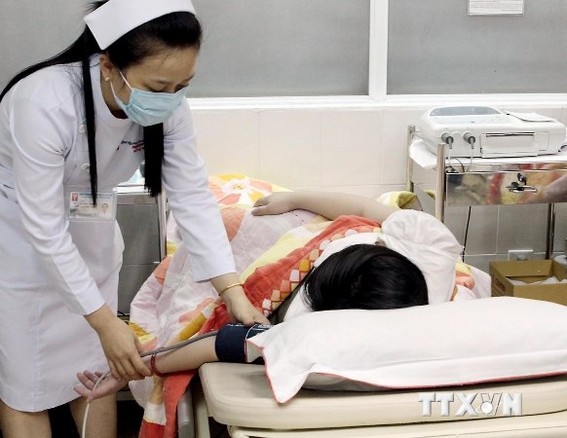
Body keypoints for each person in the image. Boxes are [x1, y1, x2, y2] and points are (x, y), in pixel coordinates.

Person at [0, 1, 267, 437]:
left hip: (91, 233)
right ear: (108, 65)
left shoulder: (167, 105)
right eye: (159, 86)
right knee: (28, 386)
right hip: (21, 246)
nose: (170, 98)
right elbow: (44, 229)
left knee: (95, 372)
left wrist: (232, 291)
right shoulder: (43, 101)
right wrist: (107, 323)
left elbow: (192, 196)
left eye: (182, 85)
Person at [75, 189, 489, 401]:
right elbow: (367, 210)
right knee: (241, 217)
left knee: (225, 227)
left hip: (314, 267)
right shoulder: (430, 247)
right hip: (321, 236)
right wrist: (295, 197)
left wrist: (141, 366)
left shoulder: (308, 326)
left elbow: (221, 343)